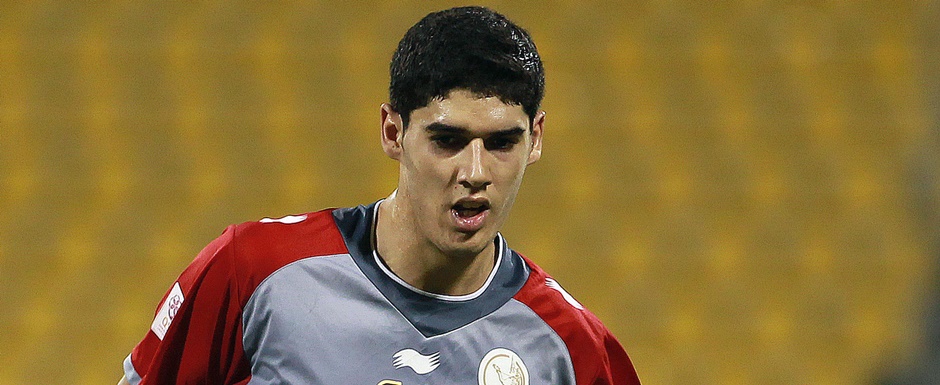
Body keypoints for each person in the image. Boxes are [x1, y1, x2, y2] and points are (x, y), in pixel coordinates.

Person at [118, 6, 641, 385]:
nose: (475, 172)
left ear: (537, 139)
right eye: (448, 140)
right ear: (393, 132)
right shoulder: (254, 270)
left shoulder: (573, 350)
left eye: (503, 142)